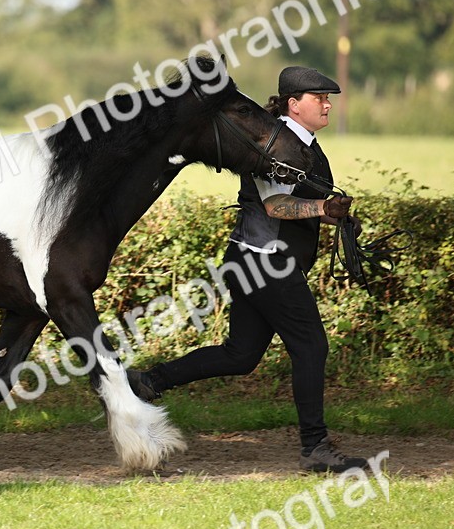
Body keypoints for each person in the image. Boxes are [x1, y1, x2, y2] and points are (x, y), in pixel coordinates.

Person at [128, 65, 371, 473]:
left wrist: (333, 217)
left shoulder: (302, 141)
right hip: (266, 263)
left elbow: (292, 205)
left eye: (329, 99)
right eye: (319, 99)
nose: (327, 105)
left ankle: (147, 382)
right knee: (311, 346)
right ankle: (316, 447)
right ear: (295, 105)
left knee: (241, 354)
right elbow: (276, 206)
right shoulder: (270, 142)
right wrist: (322, 209)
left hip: (253, 259)